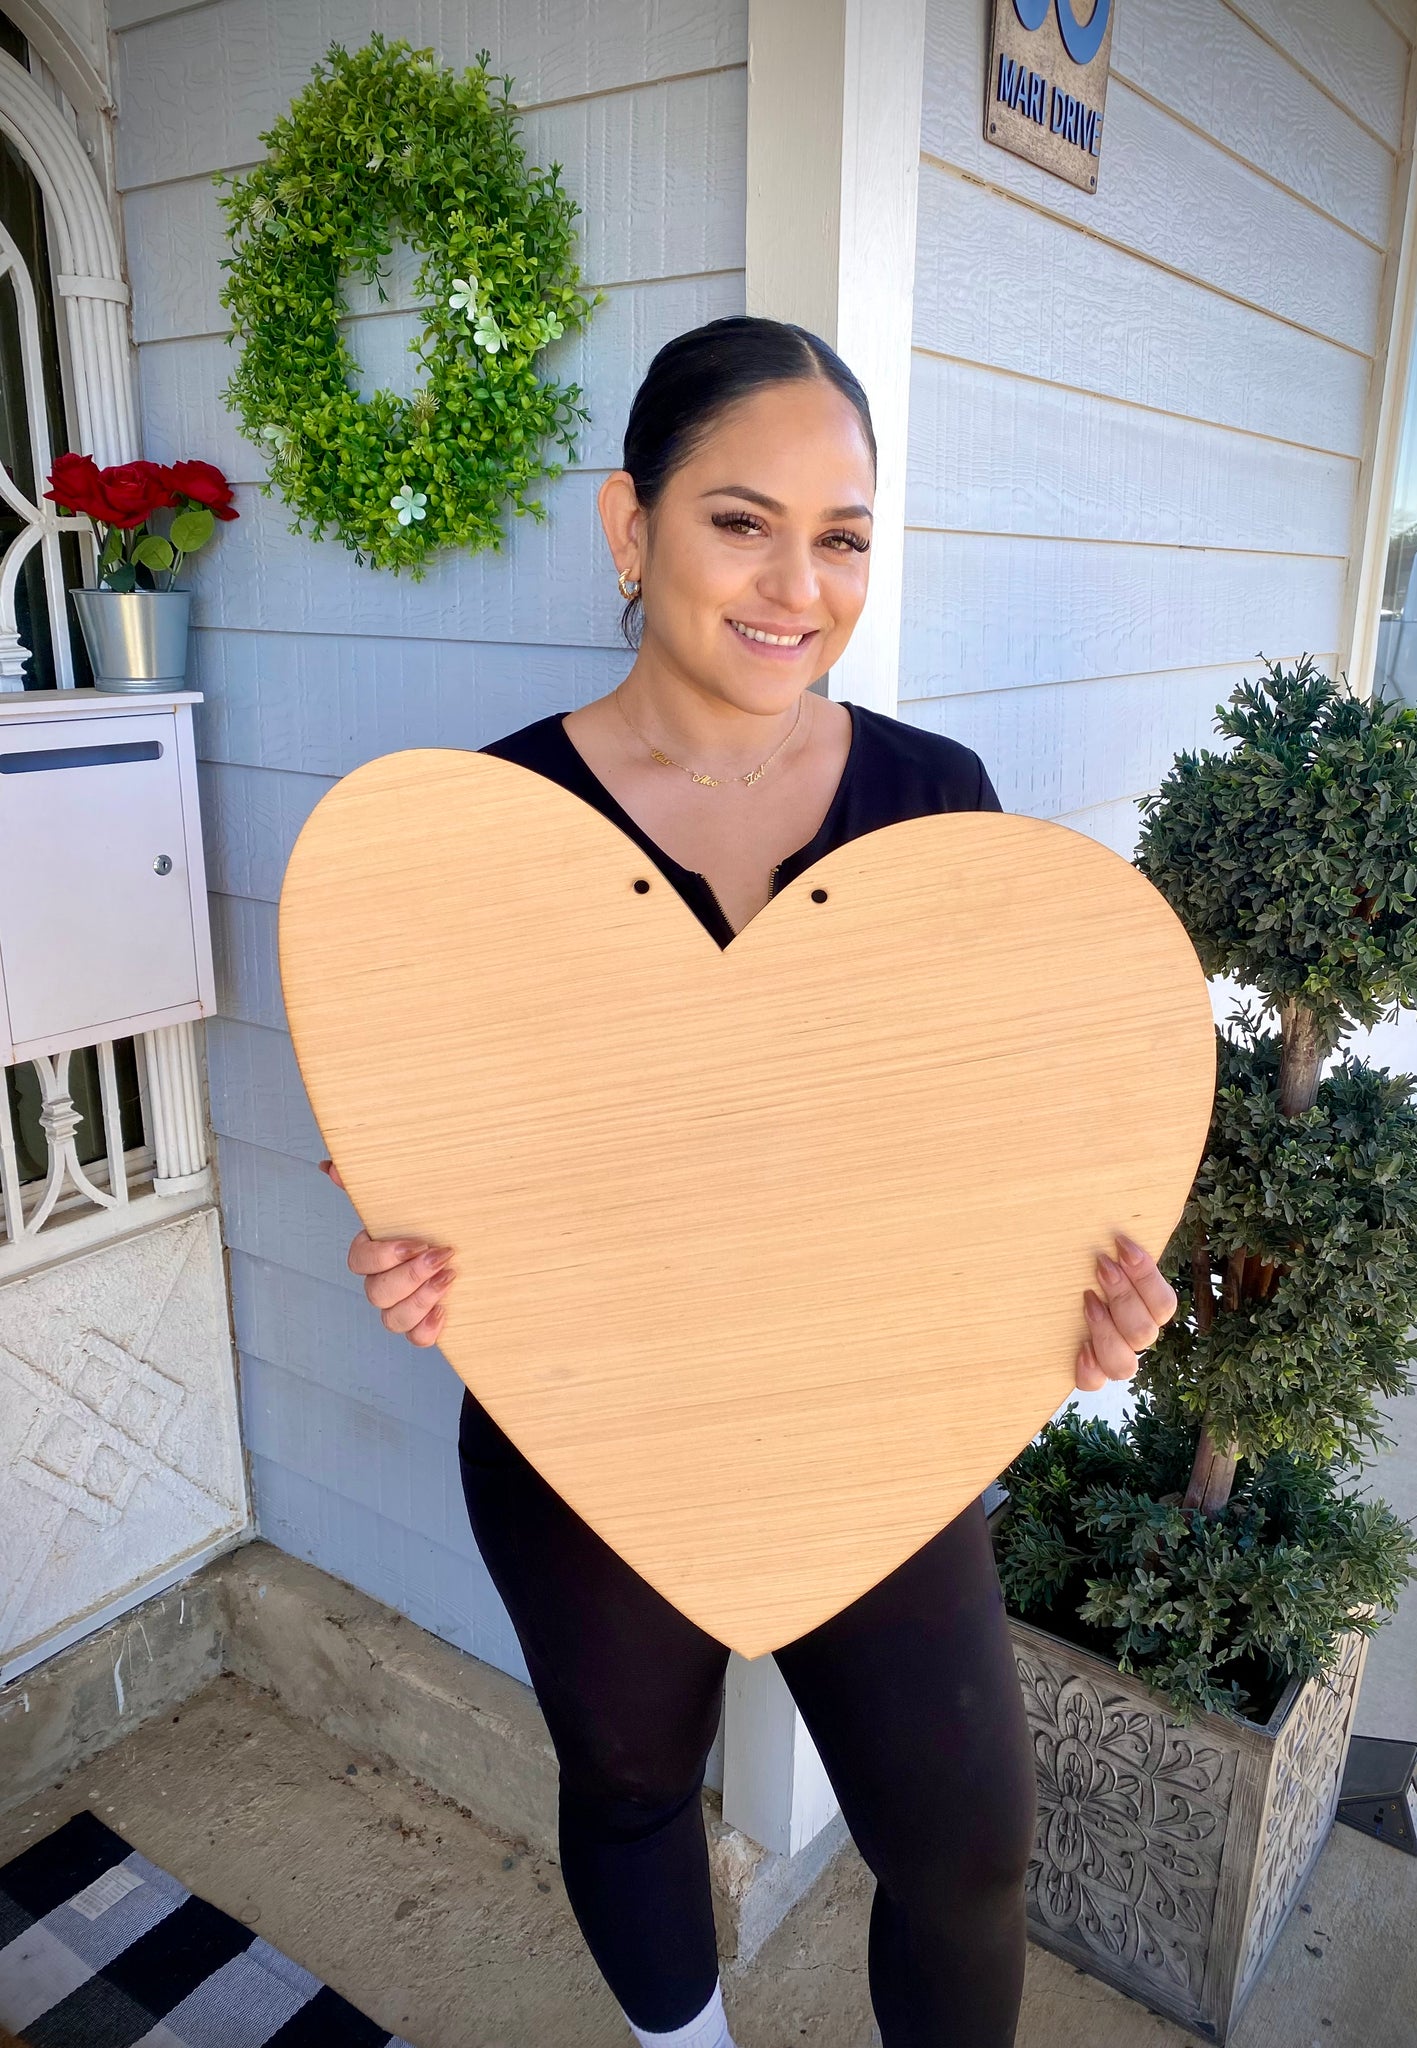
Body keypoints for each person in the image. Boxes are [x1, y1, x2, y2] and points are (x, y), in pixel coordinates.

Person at [321, 316, 1179, 2048]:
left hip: (870, 1415)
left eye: (844, 534)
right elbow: (435, 1141)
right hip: (591, 1415)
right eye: (742, 520)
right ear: (628, 529)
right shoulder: (490, 831)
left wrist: (1076, 1306)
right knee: (634, 1780)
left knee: (967, 1850)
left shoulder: (944, 808)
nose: (800, 583)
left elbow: (1007, 1142)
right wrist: (423, 1251)